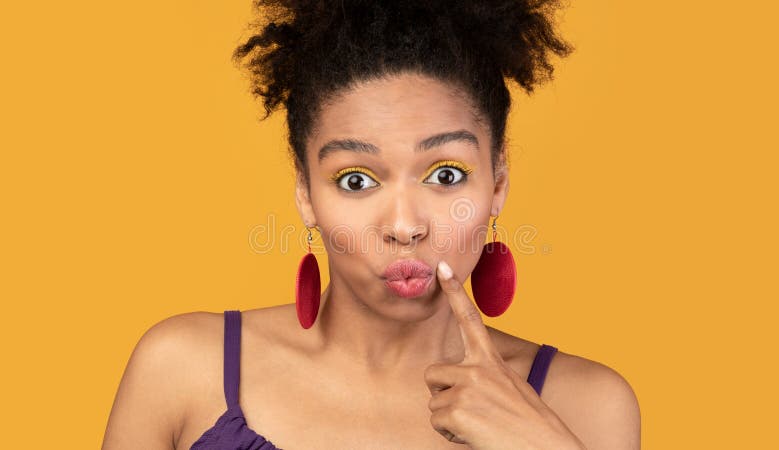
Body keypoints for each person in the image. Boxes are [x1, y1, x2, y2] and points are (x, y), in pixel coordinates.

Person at [102, 1, 640, 449]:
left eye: (446, 174)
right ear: (305, 195)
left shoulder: (586, 406)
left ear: (497, 183)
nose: (405, 226)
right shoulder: (180, 369)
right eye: (356, 181)